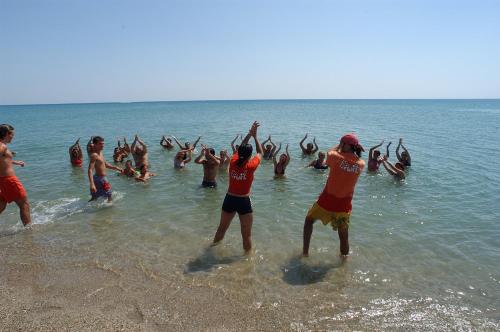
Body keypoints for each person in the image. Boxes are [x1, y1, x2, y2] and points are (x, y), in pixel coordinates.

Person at [303, 133, 365, 257]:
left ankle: (305, 253)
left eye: (342, 143)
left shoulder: (335, 156)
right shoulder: (361, 163)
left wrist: (340, 145)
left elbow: (330, 153)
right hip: (344, 205)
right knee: (343, 236)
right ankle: (344, 262)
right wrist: (350, 145)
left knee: (309, 221)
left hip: (326, 201)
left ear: (345, 145)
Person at [213, 121, 263, 253]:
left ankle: (211, 252)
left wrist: (249, 134)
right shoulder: (251, 166)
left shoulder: (234, 161)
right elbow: (260, 152)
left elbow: (241, 147)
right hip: (243, 201)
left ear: (239, 152)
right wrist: (255, 136)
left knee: (221, 229)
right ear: (249, 156)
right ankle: (247, 261)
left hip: (229, 199)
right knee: (246, 236)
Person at [0, 124, 31, 226]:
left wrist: (15, 162)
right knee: (24, 203)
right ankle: (28, 230)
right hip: (9, 180)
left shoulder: (2, 146)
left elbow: (3, 160)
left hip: (3, 180)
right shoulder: (2, 146)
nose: (13, 136)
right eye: (12, 134)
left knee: (1, 205)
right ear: (6, 134)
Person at [88, 136, 123, 202]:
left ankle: (86, 209)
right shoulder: (94, 155)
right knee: (109, 196)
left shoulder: (100, 153)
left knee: (94, 197)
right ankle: (110, 211)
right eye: (100, 144)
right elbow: (90, 170)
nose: (102, 145)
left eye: (103, 143)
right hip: (101, 179)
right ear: (95, 144)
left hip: (97, 178)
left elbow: (105, 164)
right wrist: (91, 184)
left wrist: (116, 168)